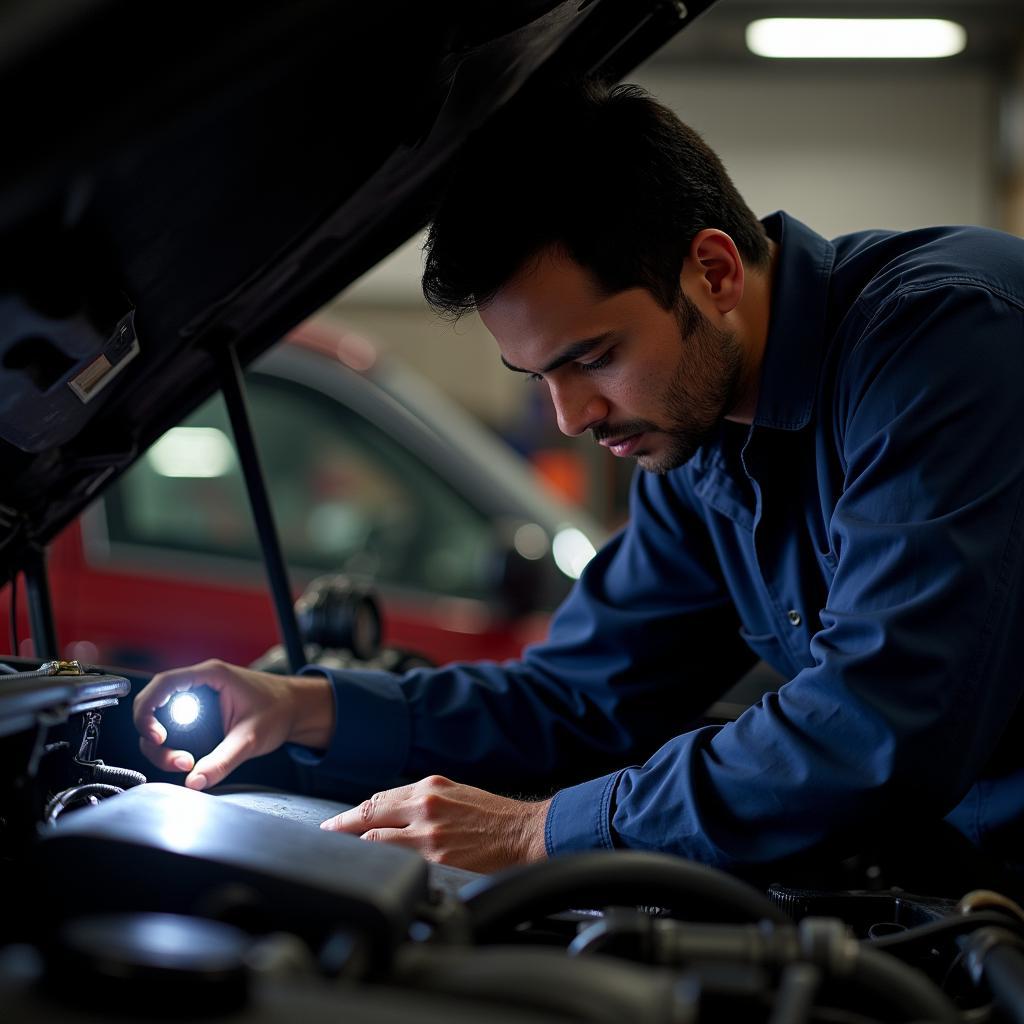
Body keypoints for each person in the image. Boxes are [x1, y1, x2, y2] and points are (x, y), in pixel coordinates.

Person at [135, 82, 1024, 877]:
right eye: (540, 379)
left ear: (713, 273)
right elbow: (580, 700)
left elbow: (877, 728)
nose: (571, 418)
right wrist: (305, 706)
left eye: (594, 358)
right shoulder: (697, 438)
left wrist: (541, 834)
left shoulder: (947, 343)